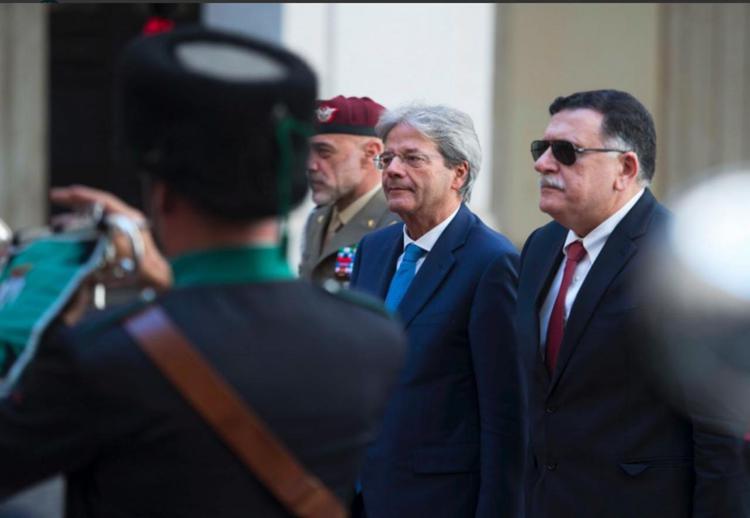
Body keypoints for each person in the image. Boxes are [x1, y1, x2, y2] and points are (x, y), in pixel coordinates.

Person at [0, 27, 406, 517]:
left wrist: (34, 299)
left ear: (161, 191)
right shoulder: (373, 337)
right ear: (287, 185)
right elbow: (236, 331)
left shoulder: (101, 356)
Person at [517, 89, 750, 517]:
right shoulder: (540, 247)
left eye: (566, 152)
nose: (543, 163)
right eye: (542, 148)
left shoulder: (681, 258)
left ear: (625, 168)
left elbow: (720, 432)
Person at [350, 104, 525, 517]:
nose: (392, 170)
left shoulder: (492, 262)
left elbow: (505, 414)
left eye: (412, 158)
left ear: (458, 174)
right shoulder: (372, 250)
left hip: (437, 501)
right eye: (387, 158)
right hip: (358, 494)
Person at [300, 95, 399, 287]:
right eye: (308, 152)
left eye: (324, 152)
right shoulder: (319, 217)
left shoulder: (397, 225)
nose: (311, 165)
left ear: (371, 153)